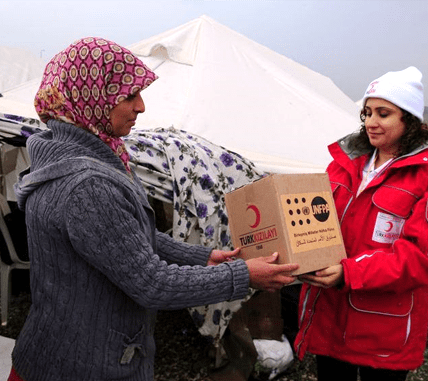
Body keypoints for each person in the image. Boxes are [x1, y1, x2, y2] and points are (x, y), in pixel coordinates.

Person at [7, 37, 299, 381]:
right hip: (85, 365)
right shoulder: (89, 185)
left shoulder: (64, 158)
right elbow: (150, 282)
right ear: (91, 97)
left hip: (55, 351)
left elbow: (125, 239)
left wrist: (201, 257)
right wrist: (242, 276)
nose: (141, 107)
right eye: (129, 95)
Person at [294, 67, 428, 380]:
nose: (371, 122)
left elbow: (423, 259)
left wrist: (350, 272)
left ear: (408, 120)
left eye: (383, 113)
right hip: (329, 315)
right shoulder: (344, 165)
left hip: (383, 329)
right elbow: (316, 222)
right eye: (367, 112)